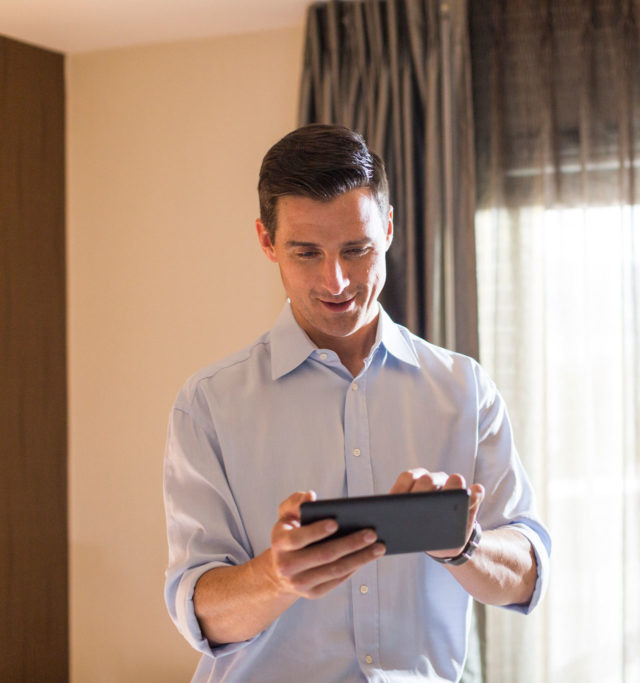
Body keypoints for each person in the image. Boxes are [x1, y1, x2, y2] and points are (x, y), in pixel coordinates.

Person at [163, 124, 550, 682]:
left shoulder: (464, 389)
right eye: (306, 253)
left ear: (388, 229)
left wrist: (465, 544)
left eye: (356, 249)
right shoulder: (208, 405)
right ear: (266, 242)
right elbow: (197, 608)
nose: (336, 280)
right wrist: (276, 577)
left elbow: (528, 575)